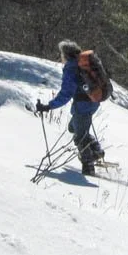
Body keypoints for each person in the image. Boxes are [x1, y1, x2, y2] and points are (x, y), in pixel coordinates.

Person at [36, 39, 105, 175]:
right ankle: (96, 151)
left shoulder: (71, 68)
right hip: (94, 101)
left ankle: (88, 166)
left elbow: (66, 94)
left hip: (83, 104)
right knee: (73, 127)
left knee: (79, 136)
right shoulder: (82, 64)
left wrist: (49, 106)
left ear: (65, 55)